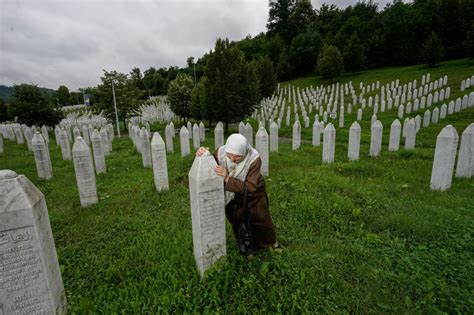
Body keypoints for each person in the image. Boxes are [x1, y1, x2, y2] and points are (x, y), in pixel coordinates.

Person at [196, 133, 279, 257]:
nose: (232, 160)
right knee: (237, 219)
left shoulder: (254, 159)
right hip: (232, 192)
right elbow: (210, 163)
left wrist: (227, 178)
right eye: (230, 156)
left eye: (238, 158)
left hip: (254, 192)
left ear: (245, 153)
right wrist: (203, 153)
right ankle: (248, 248)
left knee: (260, 218)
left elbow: (250, 187)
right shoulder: (220, 153)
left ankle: (270, 243)